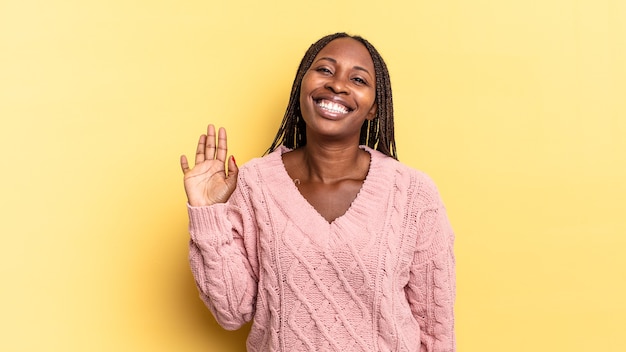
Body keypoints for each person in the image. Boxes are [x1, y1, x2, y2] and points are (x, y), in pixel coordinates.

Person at [180, 32, 456, 352]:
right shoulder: (255, 184)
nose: (338, 85)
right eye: (325, 70)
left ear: (373, 109)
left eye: (358, 79)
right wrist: (207, 213)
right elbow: (232, 311)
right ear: (302, 85)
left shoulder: (413, 195)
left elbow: (437, 331)